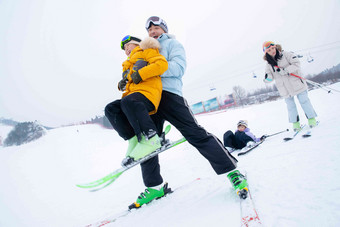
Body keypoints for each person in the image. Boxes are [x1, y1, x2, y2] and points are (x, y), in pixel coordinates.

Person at [127, 16, 248, 209]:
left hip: (170, 95)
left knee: (196, 134)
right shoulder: (144, 50)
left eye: (156, 28)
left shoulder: (173, 44)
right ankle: (155, 186)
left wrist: (152, 70)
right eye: (149, 30)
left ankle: (232, 171)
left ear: (164, 29)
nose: (152, 32)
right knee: (148, 143)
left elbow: (179, 68)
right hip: (149, 98)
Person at [105, 35, 168, 166]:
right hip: (133, 98)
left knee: (128, 101)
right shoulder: (127, 65)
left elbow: (161, 65)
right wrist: (122, 83)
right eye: (124, 49)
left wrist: (140, 74)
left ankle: (151, 139)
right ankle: (133, 140)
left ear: (137, 44)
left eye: (128, 46)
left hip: (148, 95)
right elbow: (130, 81)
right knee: (111, 109)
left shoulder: (146, 51)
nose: (126, 50)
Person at [262, 41, 317, 131]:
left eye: (273, 48)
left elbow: (296, 64)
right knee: (290, 106)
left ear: (275, 47)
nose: (272, 51)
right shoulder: (268, 64)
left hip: (297, 84)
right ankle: (296, 124)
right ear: (266, 52)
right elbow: (269, 76)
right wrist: (267, 79)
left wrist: (286, 70)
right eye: (269, 50)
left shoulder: (286, 54)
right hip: (285, 89)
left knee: (304, 101)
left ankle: (311, 119)